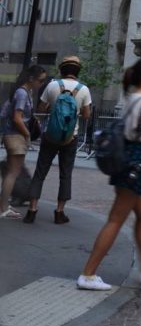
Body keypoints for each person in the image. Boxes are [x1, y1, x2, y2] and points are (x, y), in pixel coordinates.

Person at [77, 59, 141, 289]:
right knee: (116, 219)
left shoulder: (131, 99)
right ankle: (88, 274)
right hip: (138, 163)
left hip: (129, 160)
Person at [25, 55, 92, 224]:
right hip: (70, 138)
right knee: (65, 174)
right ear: (77, 71)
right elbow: (86, 115)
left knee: (40, 172)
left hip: (50, 136)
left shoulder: (52, 85)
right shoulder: (84, 89)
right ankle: (59, 212)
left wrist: (51, 108)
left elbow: (41, 109)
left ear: (62, 70)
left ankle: (32, 210)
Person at [0, 64, 48, 218]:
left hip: (13, 135)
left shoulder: (23, 92)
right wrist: (27, 134)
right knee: (13, 173)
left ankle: (4, 205)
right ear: (31, 78)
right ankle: (3, 208)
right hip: (16, 136)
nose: (41, 84)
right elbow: (17, 118)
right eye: (40, 81)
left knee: (12, 172)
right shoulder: (22, 93)